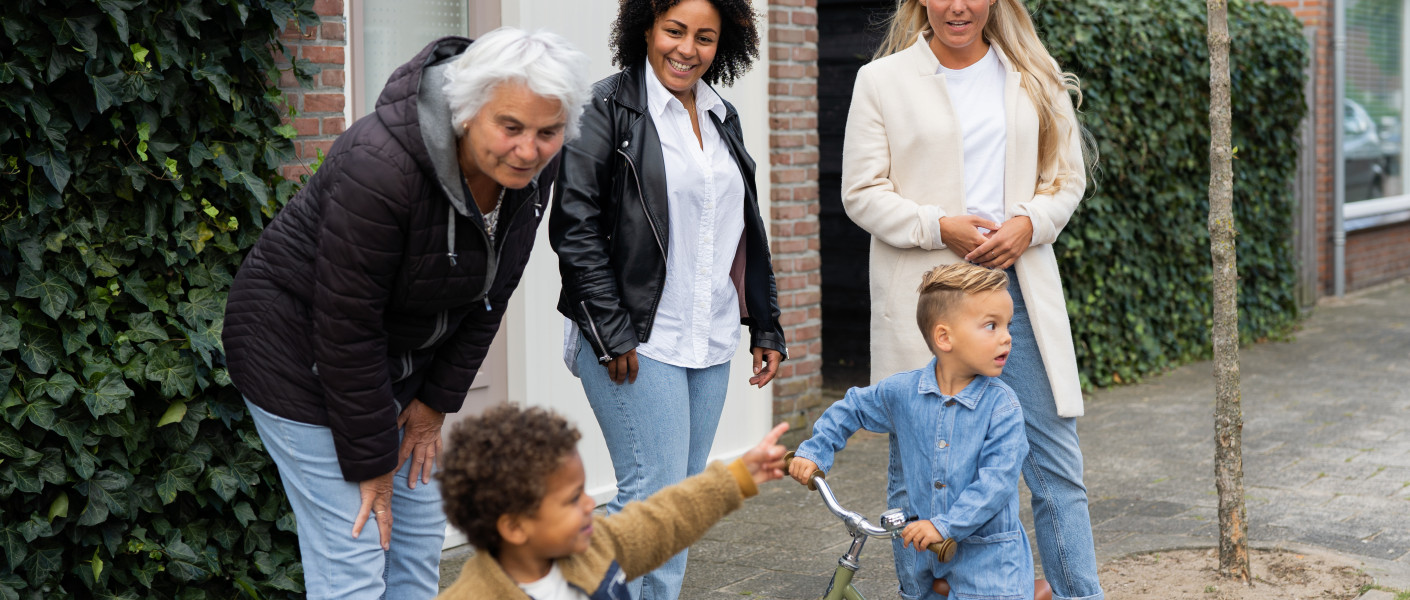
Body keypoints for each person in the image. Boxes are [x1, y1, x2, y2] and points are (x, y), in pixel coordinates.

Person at [222, 29, 592, 599]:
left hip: (394, 363)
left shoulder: (528, 176)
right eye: (510, 127)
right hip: (295, 357)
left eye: (548, 132)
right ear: (467, 114)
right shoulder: (379, 167)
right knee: (355, 555)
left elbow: (492, 296)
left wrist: (434, 406)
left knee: (416, 546)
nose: (529, 151)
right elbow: (347, 324)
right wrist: (372, 461)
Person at [839, 1, 1102, 599]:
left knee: (1056, 469)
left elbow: (1066, 180)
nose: (958, 5)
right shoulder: (881, 81)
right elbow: (861, 193)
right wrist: (940, 226)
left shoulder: (1032, 74)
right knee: (917, 478)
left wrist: (1029, 224)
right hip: (928, 307)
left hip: (1016, 301)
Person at [549, 0, 784, 597]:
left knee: (677, 507)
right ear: (645, 29)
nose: (687, 48)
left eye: (704, 37)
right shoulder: (604, 108)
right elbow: (574, 226)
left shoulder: (721, 113)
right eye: (674, 30)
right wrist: (609, 330)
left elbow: (742, 227)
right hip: (634, 338)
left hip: (707, 337)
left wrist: (765, 325)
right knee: (654, 503)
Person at [790, 265, 1035, 600]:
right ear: (944, 337)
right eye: (991, 325)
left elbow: (997, 482)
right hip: (919, 560)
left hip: (988, 566)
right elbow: (853, 407)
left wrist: (944, 525)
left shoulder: (1002, 407)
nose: (1006, 336)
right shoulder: (903, 393)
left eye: (1008, 325)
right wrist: (814, 451)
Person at [435, 405, 790, 600]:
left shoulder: (596, 548)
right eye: (572, 499)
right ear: (514, 526)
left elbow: (664, 521)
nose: (590, 504)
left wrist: (738, 476)